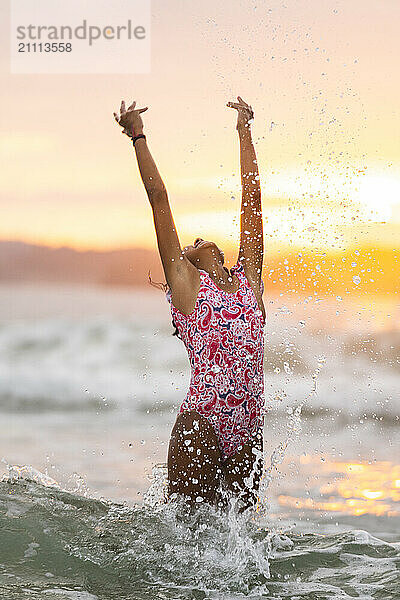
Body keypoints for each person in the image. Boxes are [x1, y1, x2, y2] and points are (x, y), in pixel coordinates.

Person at [114, 96, 265, 510]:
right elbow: (158, 198)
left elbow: (251, 199)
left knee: (240, 547)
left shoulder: (250, 281)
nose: (199, 241)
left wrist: (244, 130)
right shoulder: (187, 288)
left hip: (248, 431)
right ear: (186, 261)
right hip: (202, 423)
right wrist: (137, 135)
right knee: (184, 540)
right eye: (192, 243)